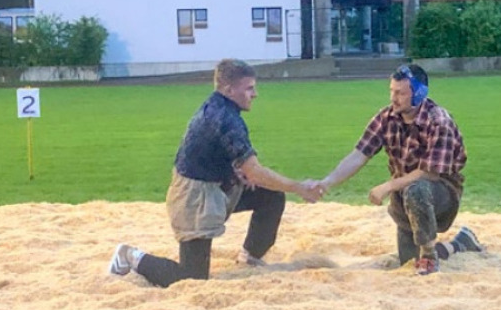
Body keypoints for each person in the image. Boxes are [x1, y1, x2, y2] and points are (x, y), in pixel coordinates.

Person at [109, 58, 323, 287]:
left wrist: (237, 173)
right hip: (194, 198)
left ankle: (249, 256)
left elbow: (224, 157)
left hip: (218, 188)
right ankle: (130, 256)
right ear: (229, 89)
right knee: (193, 277)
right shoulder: (225, 119)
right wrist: (299, 187)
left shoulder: (221, 108)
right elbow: (255, 171)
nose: (255, 94)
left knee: (270, 196)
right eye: (249, 88)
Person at [318, 64, 482, 276]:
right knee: (409, 261)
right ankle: (459, 243)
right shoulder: (387, 117)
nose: (393, 98)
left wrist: (388, 186)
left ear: (419, 94)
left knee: (417, 189)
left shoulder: (439, 121)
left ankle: (430, 256)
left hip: (441, 194)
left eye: (400, 93)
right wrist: (327, 182)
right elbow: (360, 154)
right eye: (392, 91)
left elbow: (430, 172)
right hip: (403, 197)